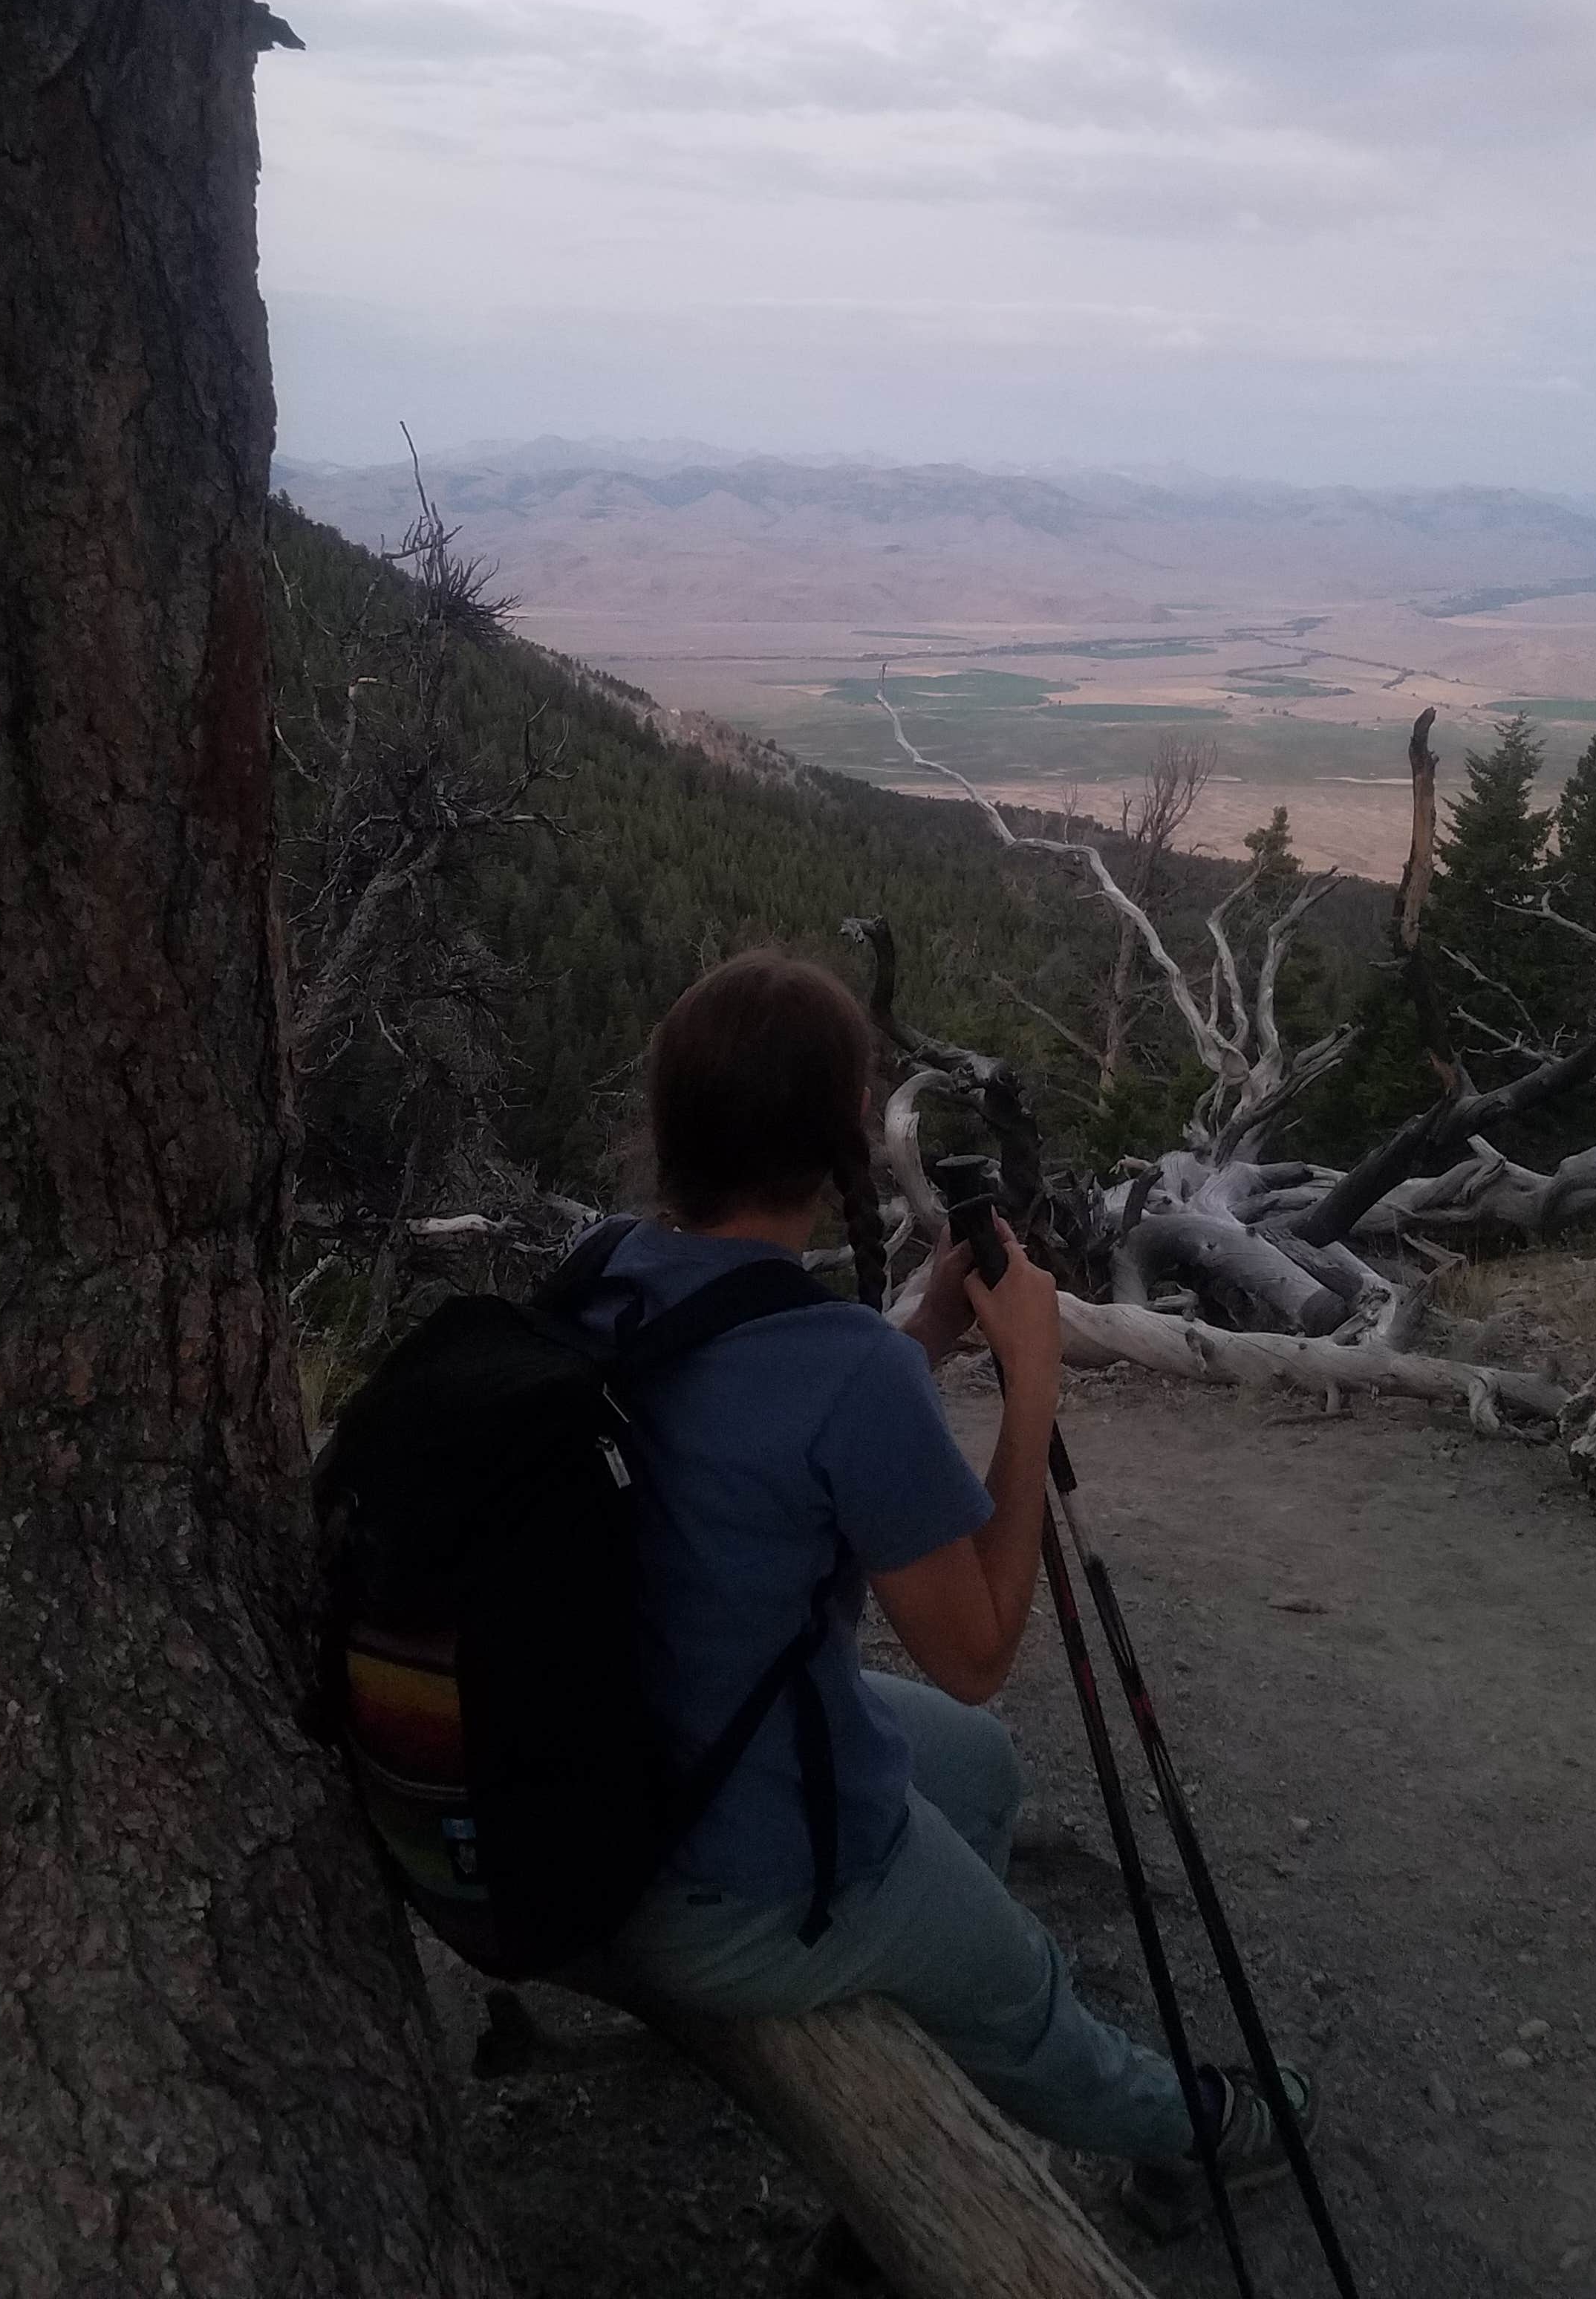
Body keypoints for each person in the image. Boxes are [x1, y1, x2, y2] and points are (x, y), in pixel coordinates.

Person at [556, 948, 1314, 2249]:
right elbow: (974, 1645)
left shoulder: (606, 1271)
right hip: (731, 1884)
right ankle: (1207, 2131)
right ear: (843, 1141)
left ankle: (921, 1973)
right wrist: (1031, 1388)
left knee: (975, 1770)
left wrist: (930, 1346)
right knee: (1032, 2001)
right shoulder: (842, 1371)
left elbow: (761, 1446)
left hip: (602, 1783)